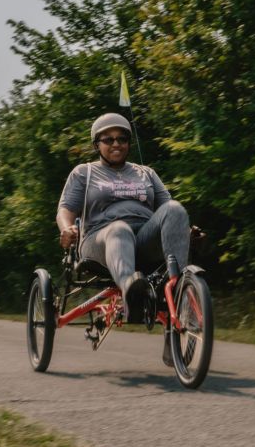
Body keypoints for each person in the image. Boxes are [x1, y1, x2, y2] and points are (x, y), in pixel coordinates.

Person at [56, 113, 191, 337]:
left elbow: (168, 211)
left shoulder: (146, 173)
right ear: (97, 144)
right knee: (119, 229)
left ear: (129, 143)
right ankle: (132, 293)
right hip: (100, 239)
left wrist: (185, 230)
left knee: (175, 208)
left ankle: (178, 292)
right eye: (108, 139)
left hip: (143, 239)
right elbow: (65, 211)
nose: (116, 144)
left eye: (122, 139)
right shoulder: (84, 172)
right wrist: (66, 228)